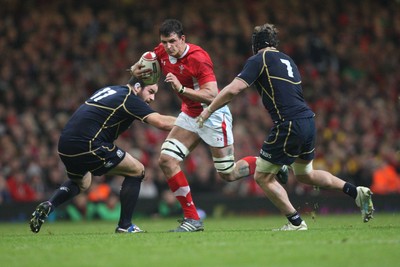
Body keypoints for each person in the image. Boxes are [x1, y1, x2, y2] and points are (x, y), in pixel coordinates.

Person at [197, 23, 374, 230]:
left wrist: (209, 109)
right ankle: (356, 192)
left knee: (262, 177)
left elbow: (234, 89)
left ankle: (296, 223)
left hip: (289, 123)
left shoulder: (259, 58)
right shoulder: (288, 60)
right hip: (307, 121)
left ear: (256, 45)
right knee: (305, 174)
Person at [131, 19, 260, 232]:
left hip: (213, 115)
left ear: (183, 39)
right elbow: (148, 65)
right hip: (190, 115)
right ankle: (192, 218)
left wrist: (181, 90)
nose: (168, 47)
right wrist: (137, 69)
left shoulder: (198, 58)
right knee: (166, 159)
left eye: (172, 41)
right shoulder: (163, 52)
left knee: (228, 173)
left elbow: (211, 95)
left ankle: (268, 163)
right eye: (164, 42)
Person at [29, 76, 176, 234]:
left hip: (65, 144)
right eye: (151, 92)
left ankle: (50, 205)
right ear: (138, 87)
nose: (152, 98)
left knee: (82, 182)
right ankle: (125, 225)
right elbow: (161, 122)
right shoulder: (129, 98)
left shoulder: (110, 89)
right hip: (89, 144)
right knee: (137, 170)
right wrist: (192, 122)